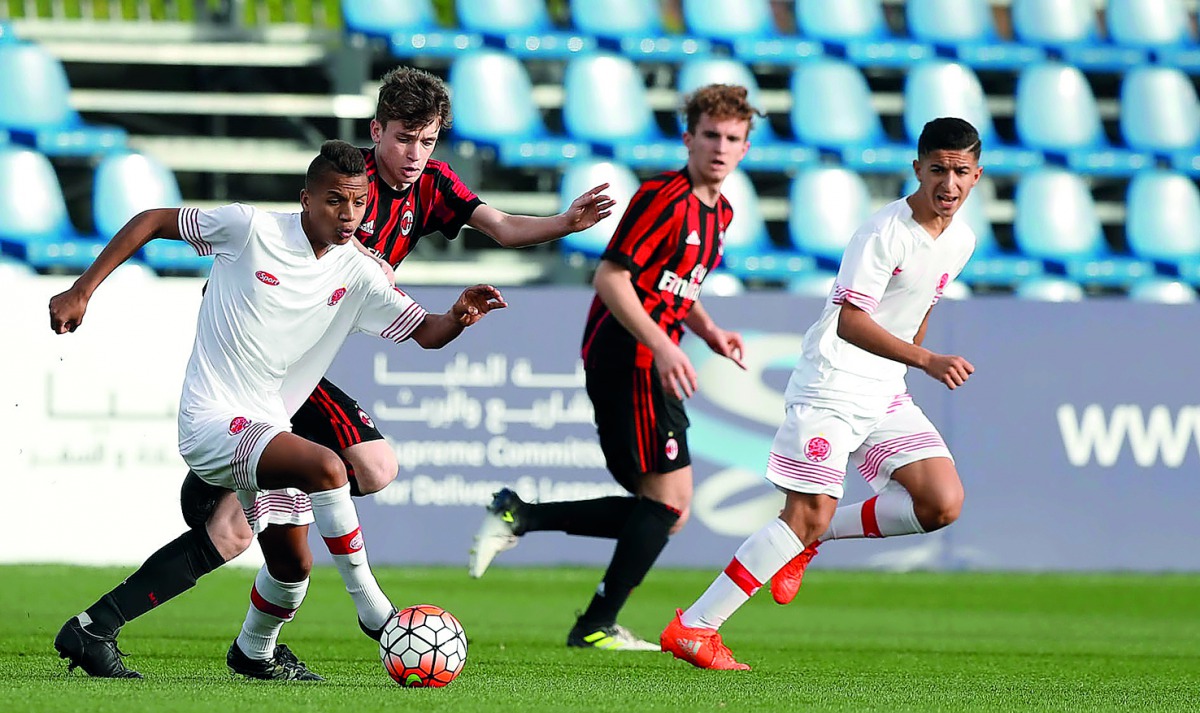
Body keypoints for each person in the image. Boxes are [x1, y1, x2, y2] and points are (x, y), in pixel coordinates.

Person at [50, 64, 611, 679]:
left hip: (274, 402)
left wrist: (460, 315)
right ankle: (376, 614)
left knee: (282, 562)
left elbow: (427, 329)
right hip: (215, 412)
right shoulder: (253, 229)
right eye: (338, 200)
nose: (350, 212)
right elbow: (155, 219)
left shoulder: (363, 268)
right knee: (331, 466)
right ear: (310, 196)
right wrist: (82, 290)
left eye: (359, 203)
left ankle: (137, 634)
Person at [659, 117, 982, 670]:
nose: (947, 184)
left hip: (884, 389)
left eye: (959, 173)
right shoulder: (883, 232)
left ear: (976, 176)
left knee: (941, 503)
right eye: (937, 170)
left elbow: (919, 309)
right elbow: (851, 323)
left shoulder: (962, 239)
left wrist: (913, 359)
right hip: (831, 385)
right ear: (917, 169)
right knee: (802, 514)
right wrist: (927, 360)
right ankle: (695, 627)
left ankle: (811, 539)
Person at [467, 84, 756, 651]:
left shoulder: (720, 211)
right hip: (630, 355)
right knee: (668, 505)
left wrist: (709, 332)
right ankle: (591, 619)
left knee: (665, 512)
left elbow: (674, 287)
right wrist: (668, 347)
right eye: (711, 136)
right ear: (688, 138)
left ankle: (522, 520)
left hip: (653, 356)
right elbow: (612, 277)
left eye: (733, 139)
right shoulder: (662, 198)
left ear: (745, 148)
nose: (720, 148)